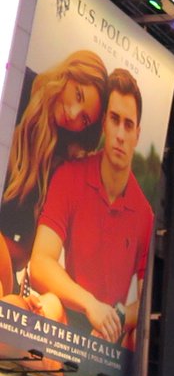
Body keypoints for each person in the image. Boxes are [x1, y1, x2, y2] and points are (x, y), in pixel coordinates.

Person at [28, 68, 151, 347]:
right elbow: (40, 262)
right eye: (115, 120)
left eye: (128, 125)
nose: (120, 134)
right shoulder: (71, 176)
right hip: (67, 317)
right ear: (104, 124)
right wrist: (90, 305)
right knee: (47, 306)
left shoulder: (145, 214)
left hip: (111, 337)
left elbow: (147, 303)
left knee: (136, 340)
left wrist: (116, 319)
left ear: (137, 134)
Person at [0, 51, 107, 305]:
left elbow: (25, 252)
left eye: (84, 119)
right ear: (68, 75)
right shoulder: (17, 84)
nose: (73, 114)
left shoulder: (56, 160)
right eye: (78, 95)